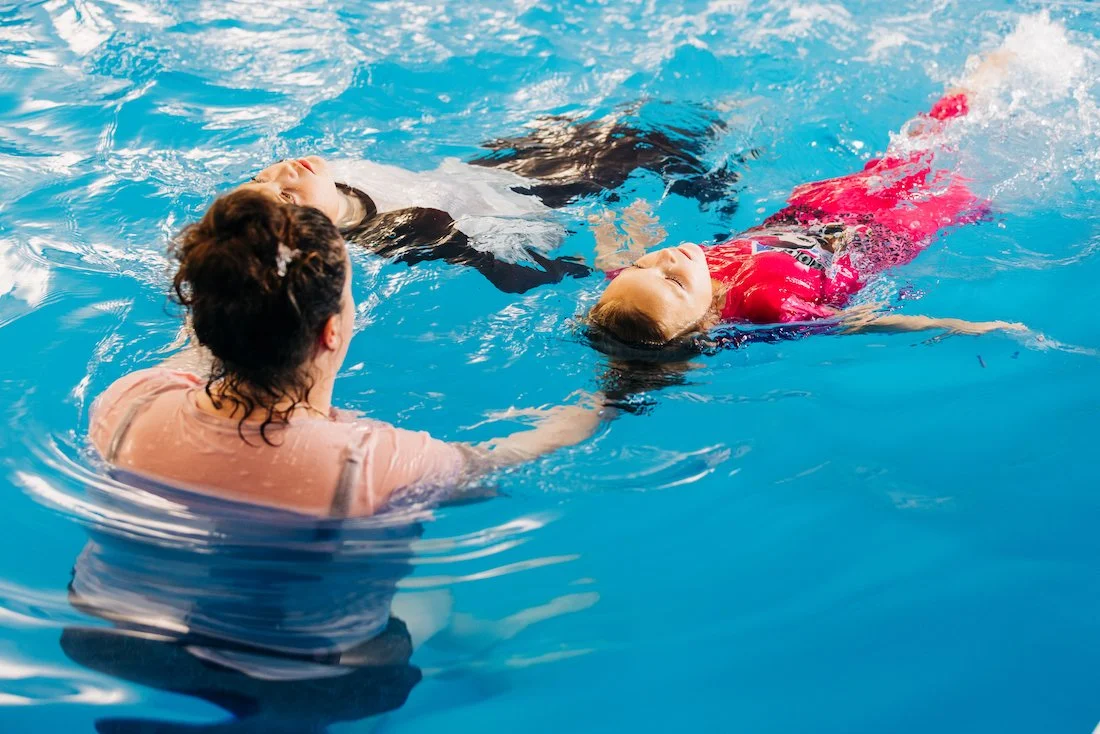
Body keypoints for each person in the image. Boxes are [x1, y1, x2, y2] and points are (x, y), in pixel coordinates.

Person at [89, 188, 604, 517]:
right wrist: (627, 377)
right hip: (320, 676)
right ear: (330, 332)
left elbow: (203, 337)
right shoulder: (372, 464)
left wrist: (238, 261)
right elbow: (513, 459)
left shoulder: (128, 404)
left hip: (112, 634)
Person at [586, 51, 1029, 349]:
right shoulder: (770, 310)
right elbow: (863, 322)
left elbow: (619, 261)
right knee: (966, 184)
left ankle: (972, 89)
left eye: (646, 265)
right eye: (674, 280)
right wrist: (966, 329)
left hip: (817, 210)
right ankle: (1008, 148)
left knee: (915, 148)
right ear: (702, 325)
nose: (666, 260)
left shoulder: (646, 288)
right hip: (886, 236)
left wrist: (615, 223)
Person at [239, 103, 739, 294]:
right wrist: (577, 272)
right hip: (526, 199)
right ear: (313, 225)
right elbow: (494, 265)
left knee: (621, 122)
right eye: (286, 192)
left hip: (491, 168)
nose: (285, 170)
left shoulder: (330, 176)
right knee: (658, 147)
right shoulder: (400, 229)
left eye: (264, 176)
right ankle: (722, 155)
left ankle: (713, 127)